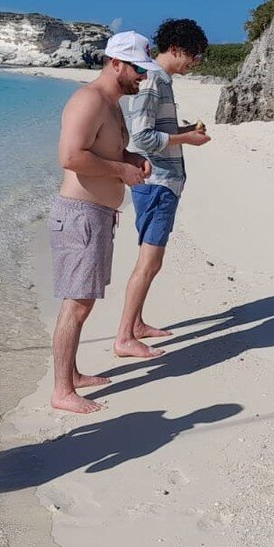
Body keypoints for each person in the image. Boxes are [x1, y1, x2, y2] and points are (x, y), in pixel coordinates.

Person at [49, 31, 157, 413]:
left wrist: (129, 160)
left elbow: (105, 149)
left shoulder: (111, 105)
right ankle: (62, 391)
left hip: (97, 217)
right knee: (76, 303)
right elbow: (70, 157)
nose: (141, 78)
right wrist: (120, 170)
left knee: (84, 301)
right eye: (137, 70)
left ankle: (72, 375)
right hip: (80, 217)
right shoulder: (88, 101)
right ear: (116, 64)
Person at [114, 18, 211, 359]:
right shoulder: (153, 79)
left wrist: (184, 130)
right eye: (194, 55)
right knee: (149, 261)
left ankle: (136, 325)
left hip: (162, 183)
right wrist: (186, 137)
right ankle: (125, 336)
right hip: (156, 183)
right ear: (175, 49)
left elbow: (154, 131)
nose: (195, 63)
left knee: (151, 261)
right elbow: (141, 137)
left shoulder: (159, 79)